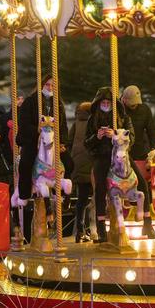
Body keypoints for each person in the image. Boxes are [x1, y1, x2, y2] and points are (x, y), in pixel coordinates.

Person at [83, 87, 134, 243]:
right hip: (102, 156)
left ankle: (145, 219)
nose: (106, 104)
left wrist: (116, 136)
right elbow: (86, 143)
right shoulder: (93, 119)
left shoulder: (123, 118)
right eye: (103, 102)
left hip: (120, 155)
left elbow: (131, 136)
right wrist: (96, 137)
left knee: (141, 183)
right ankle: (101, 229)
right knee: (99, 188)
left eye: (108, 102)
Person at [16, 75, 67, 210]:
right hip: (34, 140)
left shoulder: (58, 104)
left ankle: (60, 192)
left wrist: (62, 142)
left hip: (52, 142)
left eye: (52, 85)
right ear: (42, 85)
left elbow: (63, 125)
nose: (50, 88)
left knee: (70, 163)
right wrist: (37, 129)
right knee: (26, 163)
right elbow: (24, 123)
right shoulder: (30, 102)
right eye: (47, 85)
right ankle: (24, 193)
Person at [122, 85, 155, 219]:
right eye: (132, 105)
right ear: (125, 101)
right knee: (129, 181)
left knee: (145, 181)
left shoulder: (144, 110)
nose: (134, 107)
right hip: (125, 151)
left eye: (136, 104)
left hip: (140, 149)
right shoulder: (120, 111)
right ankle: (130, 210)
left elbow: (152, 129)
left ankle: (146, 209)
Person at [67, 101, 94, 242]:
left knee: (82, 200)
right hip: (91, 164)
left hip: (78, 164)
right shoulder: (94, 122)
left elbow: (69, 141)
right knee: (95, 199)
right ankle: (92, 229)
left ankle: (80, 229)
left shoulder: (76, 123)